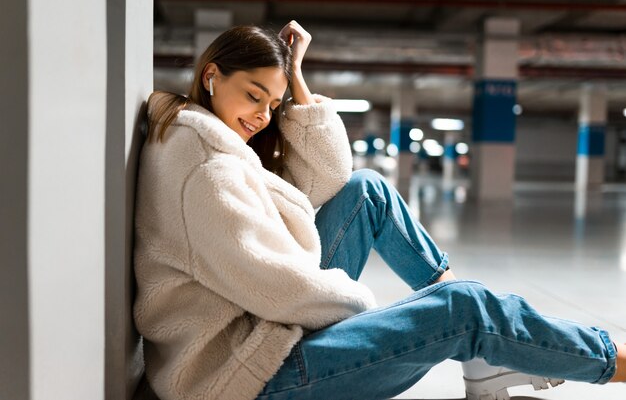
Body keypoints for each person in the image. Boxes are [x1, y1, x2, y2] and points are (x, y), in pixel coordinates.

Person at [133, 20, 625, 400]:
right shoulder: (208, 171)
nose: (262, 116)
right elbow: (278, 290)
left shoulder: (205, 138)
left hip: (254, 329)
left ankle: (483, 354)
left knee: (367, 190)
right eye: (253, 96)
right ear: (212, 76)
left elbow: (329, 178)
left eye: (273, 103)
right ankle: (606, 360)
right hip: (241, 376)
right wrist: (376, 315)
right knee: (463, 307)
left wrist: (297, 78)